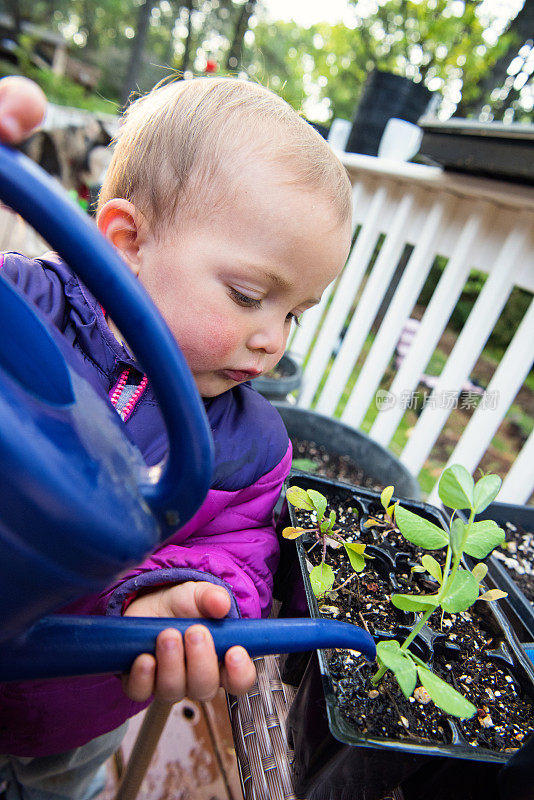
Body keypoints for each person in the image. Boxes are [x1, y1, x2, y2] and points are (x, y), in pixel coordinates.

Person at [0, 75, 353, 799]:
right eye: (251, 296)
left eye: (295, 315)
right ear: (128, 241)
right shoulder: (22, 308)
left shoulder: (249, 446)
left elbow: (244, 558)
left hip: (72, 711)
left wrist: (180, 594)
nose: (272, 341)